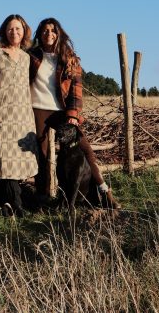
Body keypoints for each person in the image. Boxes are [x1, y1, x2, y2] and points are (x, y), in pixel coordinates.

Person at [29, 18, 121, 209]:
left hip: (62, 111)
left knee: (84, 149)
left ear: (59, 34)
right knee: (43, 154)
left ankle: (104, 191)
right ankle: (44, 198)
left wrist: (72, 114)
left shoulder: (69, 58)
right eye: (45, 31)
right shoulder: (31, 56)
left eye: (53, 31)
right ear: (39, 34)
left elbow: (76, 89)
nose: (49, 34)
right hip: (37, 108)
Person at [0, 14, 39, 217]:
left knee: (18, 159)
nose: (14, 32)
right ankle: (16, 205)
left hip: (23, 116)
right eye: (10, 29)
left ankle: (9, 204)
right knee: (4, 158)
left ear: (24, 31)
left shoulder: (27, 59)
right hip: (2, 113)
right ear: (4, 31)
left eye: (18, 29)